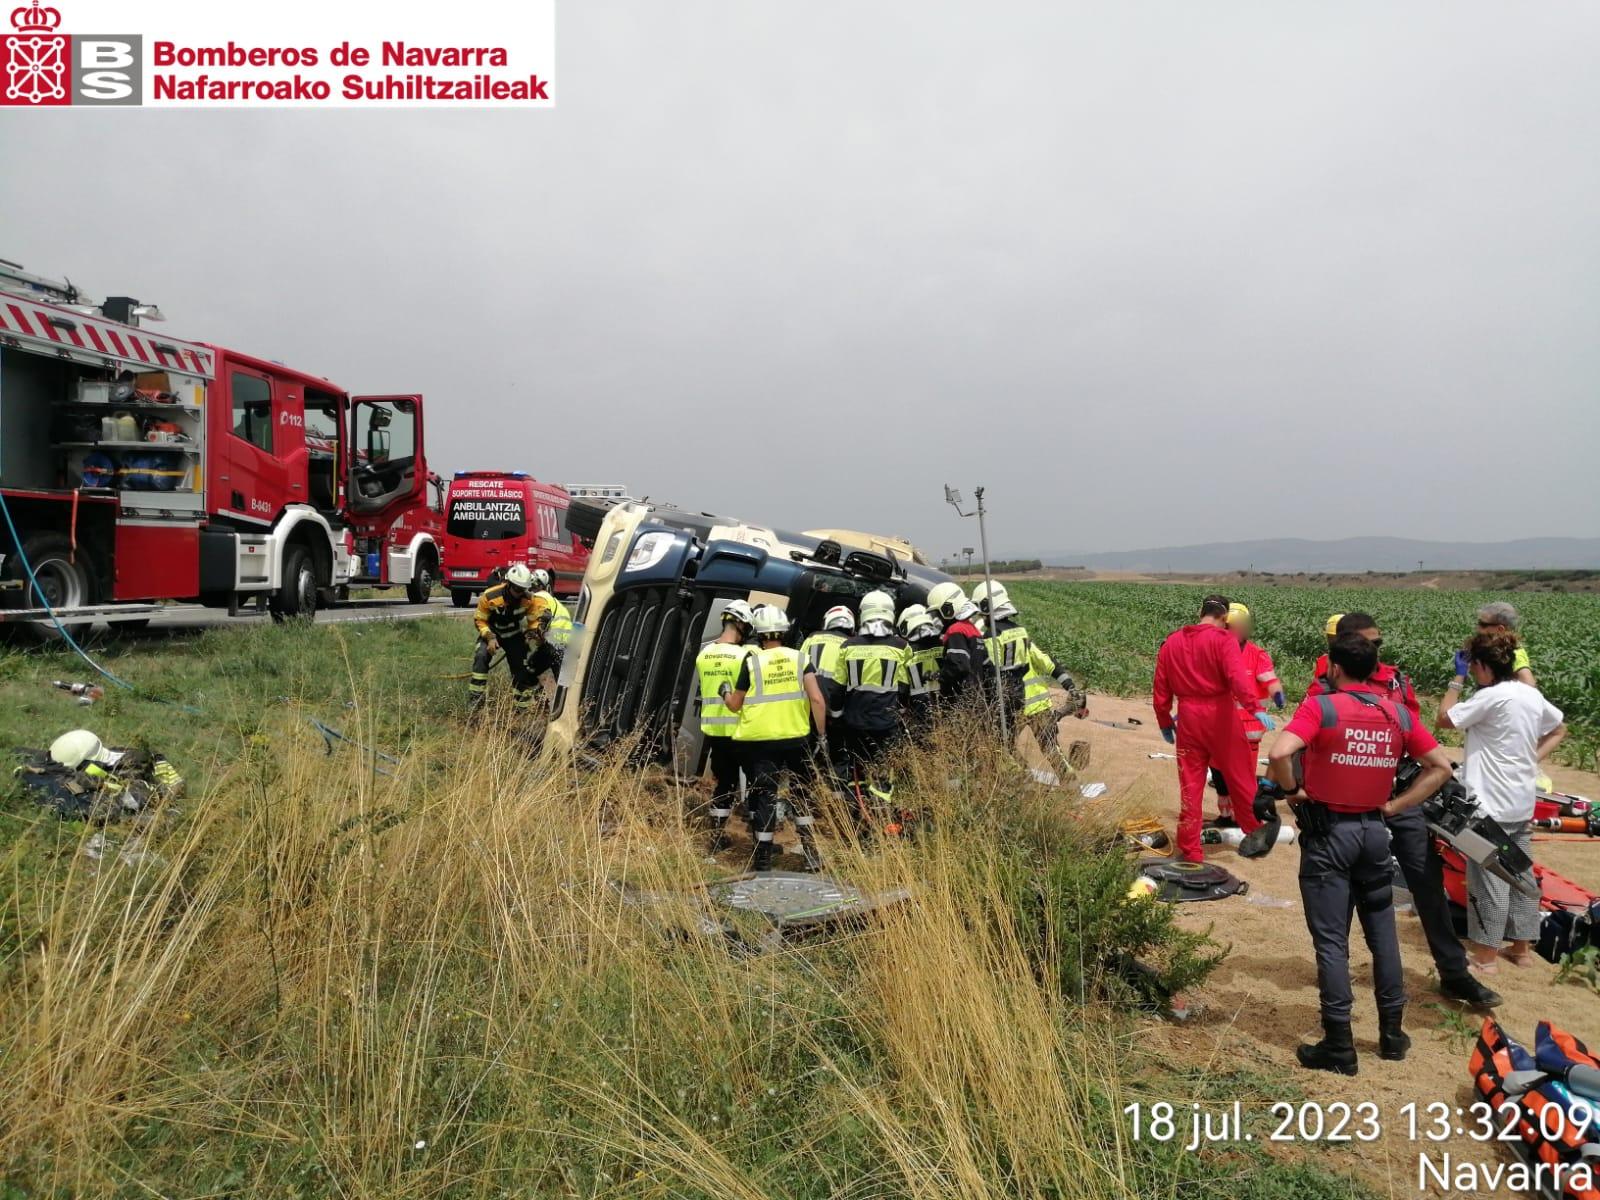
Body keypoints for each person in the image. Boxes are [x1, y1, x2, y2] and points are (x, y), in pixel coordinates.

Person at [1268, 632, 1454, 1075]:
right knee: (1382, 934)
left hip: (1329, 834)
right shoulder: (1397, 713)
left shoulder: (1322, 706)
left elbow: (1279, 752)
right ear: (1375, 669)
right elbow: (1441, 767)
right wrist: (1395, 805)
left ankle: (1339, 1042)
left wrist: (1293, 792)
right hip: (1374, 831)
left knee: (1332, 941)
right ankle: (1392, 1034)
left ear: (1334, 667)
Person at [1308, 610, 1499, 1008]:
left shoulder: (1396, 681)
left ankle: (1454, 973)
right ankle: (1334, 976)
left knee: (1426, 881)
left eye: (1379, 643)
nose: (1377, 651)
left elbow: (1417, 734)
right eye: (1370, 644)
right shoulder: (1324, 688)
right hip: (1347, 806)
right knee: (1339, 893)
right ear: (1346, 645)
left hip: (1401, 796)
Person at [1436, 629, 1566, 971]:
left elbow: (1443, 719)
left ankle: (1485, 956)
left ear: (1481, 665)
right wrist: (1531, 760)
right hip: (1521, 799)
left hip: (1488, 803)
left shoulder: (1491, 697)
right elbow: (1559, 728)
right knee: (1521, 873)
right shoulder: (1529, 695)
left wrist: (1456, 679)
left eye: (1473, 666)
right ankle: (1521, 950)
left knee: (1489, 876)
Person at [1151, 595, 1265, 862]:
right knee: (1240, 777)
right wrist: (1254, 708)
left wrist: (1165, 720)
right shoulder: (1224, 640)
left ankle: (1191, 849)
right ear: (1225, 618)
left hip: (1188, 717)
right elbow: (1238, 680)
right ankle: (1253, 831)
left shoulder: (1171, 642)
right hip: (1221, 716)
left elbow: (1160, 689)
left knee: (1190, 784)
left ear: (1200, 612)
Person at [723, 605, 828, 871]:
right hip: (796, 739)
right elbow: (817, 699)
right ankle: (812, 854)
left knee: (766, 797)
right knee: (802, 794)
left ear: (759, 634)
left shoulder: (751, 661)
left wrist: (724, 692)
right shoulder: (800, 658)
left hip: (762, 743)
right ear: (784, 631)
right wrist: (822, 736)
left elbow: (735, 705)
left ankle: (763, 860)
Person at [836, 589, 910, 823]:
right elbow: (905, 688)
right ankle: (880, 820)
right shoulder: (901, 647)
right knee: (881, 773)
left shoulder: (847, 646)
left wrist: (838, 716)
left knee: (855, 771)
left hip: (853, 723)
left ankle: (854, 819)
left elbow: (837, 688)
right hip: (886, 724)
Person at [1208, 602, 1283, 822]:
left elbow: (1270, 680)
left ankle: (1248, 820)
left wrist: (1277, 694)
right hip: (1218, 727)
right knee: (1219, 776)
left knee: (1242, 779)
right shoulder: (1215, 651)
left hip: (1246, 729)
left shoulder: (1256, 655)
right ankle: (1226, 816)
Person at [694, 599, 756, 851]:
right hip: (741, 731)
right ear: (741, 624)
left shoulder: (704, 654)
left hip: (714, 732)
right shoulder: (745, 656)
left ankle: (716, 836)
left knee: (724, 785)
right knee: (754, 784)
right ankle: (758, 841)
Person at [468, 563, 553, 717]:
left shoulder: (528, 599)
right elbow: (479, 620)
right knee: (481, 657)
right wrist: (490, 638)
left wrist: (536, 630)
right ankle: (476, 707)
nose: (518, 593)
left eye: (522, 590)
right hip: (492, 632)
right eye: (516, 589)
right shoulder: (490, 596)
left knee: (521, 668)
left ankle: (522, 710)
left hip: (513, 635)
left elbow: (536, 616)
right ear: (508, 584)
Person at [800, 605, 855, 789]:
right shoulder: (850, 644)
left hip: (806, 708)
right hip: (834, 709)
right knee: (838, 757)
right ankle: (837, 802)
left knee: (804, 760)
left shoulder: (811, 638)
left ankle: (801, 799)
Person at [972, 581, 1031, 723]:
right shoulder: (1021, 630)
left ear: (988, 607)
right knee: (1010, 735)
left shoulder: (992, 634)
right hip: (1019, 693)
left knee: (997, 737)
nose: (981, 617)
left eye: (982, 613)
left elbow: (990, 669)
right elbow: (1026, 666)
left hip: (999, 696)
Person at [925, 582, 990, 705]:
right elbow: (986, 665)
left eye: (938, 613)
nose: (937, 618)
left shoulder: (955, 630)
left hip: (961, 699)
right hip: (977, 697)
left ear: (948, 609)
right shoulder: (972, 629)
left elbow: (959, 665)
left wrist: (939, 675)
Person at [899, 603, 944, 730]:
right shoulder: (942, 644)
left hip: (918, 709)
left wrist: (901, 710)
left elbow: (902, 687)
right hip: (945, 705)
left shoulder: (908, 651)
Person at [1473, 602, 1537, 685]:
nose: (1478, 629)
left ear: (1500, 629)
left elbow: (1529, 685)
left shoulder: (1514, 653)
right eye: (1479, 623)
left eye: (1483, 625)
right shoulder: (1491, 647)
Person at [527, 568, 572, 686]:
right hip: (567, 647)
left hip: (552, 646)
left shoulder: (538, 598)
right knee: (564, 686)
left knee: (528, 671)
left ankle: (538, 702)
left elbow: (542, 620)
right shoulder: (555, 601)